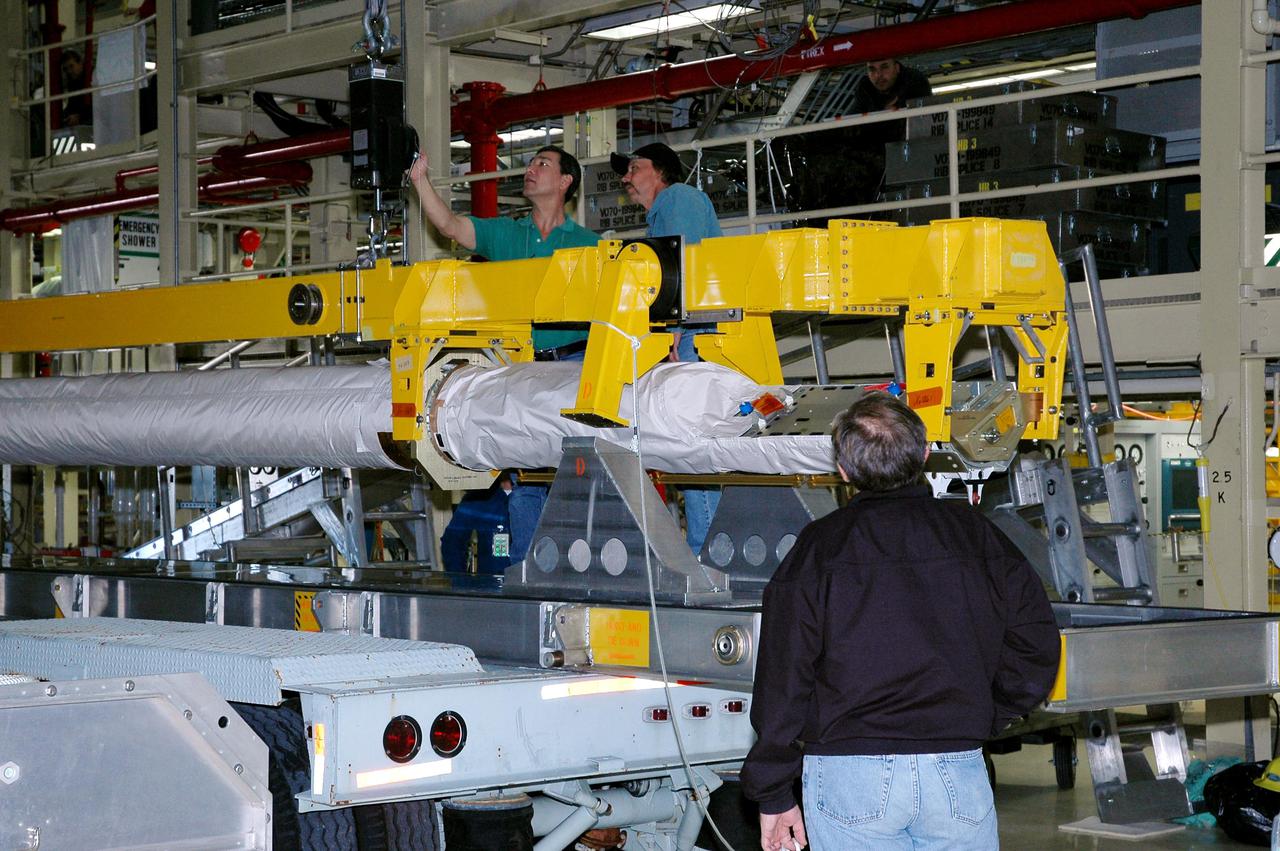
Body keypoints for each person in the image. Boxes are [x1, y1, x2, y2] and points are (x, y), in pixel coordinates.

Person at [740, 391, 1060, 851]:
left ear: (843, 470)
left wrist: (772, 790)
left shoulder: (819, 549)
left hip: (851, 776)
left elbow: (784, 676)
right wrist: (991, 712)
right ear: (926, 454)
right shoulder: (977, 535)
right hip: (957, 769)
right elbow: (1036, 643)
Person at [409, 145, 600, 564]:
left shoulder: (589, 246)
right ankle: (528, 577)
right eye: (530, 163)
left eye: (542, 164)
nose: (530, 169)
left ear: (566, 182)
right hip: (520, 370)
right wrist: (420, 180)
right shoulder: (507, 235)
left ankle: (581, 570)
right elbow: (450, 226)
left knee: (579, 476)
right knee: (526, 480)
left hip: (573, 368)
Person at [611, 142, 723, 554]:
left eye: (634, 168)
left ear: (661, 172)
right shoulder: (665, 212)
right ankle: (703, 546)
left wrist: (673, 328)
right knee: (685, 447)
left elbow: (682, 258)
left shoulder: (679, 198)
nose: (626, 178)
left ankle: (705, 550)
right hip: (686, 335)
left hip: (692, 337)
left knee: (690, 444)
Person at [59, 48, 92, 129]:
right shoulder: (74, 83)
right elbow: (72, 105)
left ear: (80, 63)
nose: (69, 71)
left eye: (71, 66)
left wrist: (79, 117)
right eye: (65, 69)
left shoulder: (92, 79)